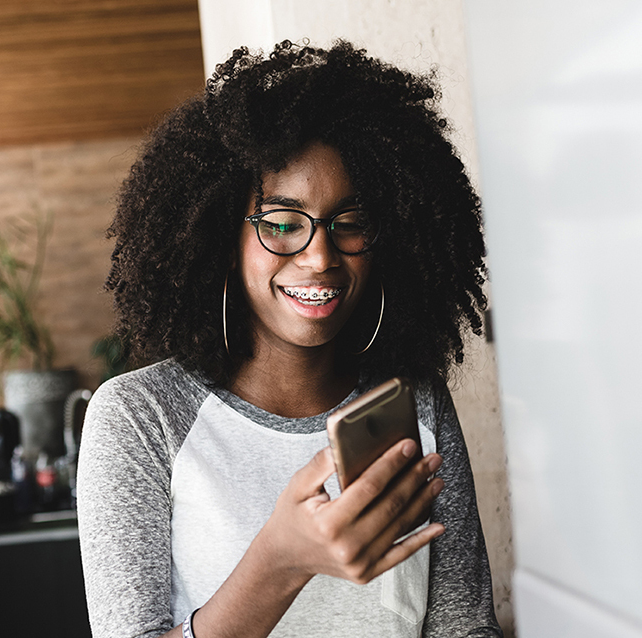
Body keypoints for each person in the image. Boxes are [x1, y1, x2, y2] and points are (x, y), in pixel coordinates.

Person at [77, 40, 501, 638]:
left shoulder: (414, 403)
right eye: (282, 224)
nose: (320, 256)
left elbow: (465, 629)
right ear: (226, 237)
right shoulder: (141, 417)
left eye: (348, 223)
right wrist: (280, 559)